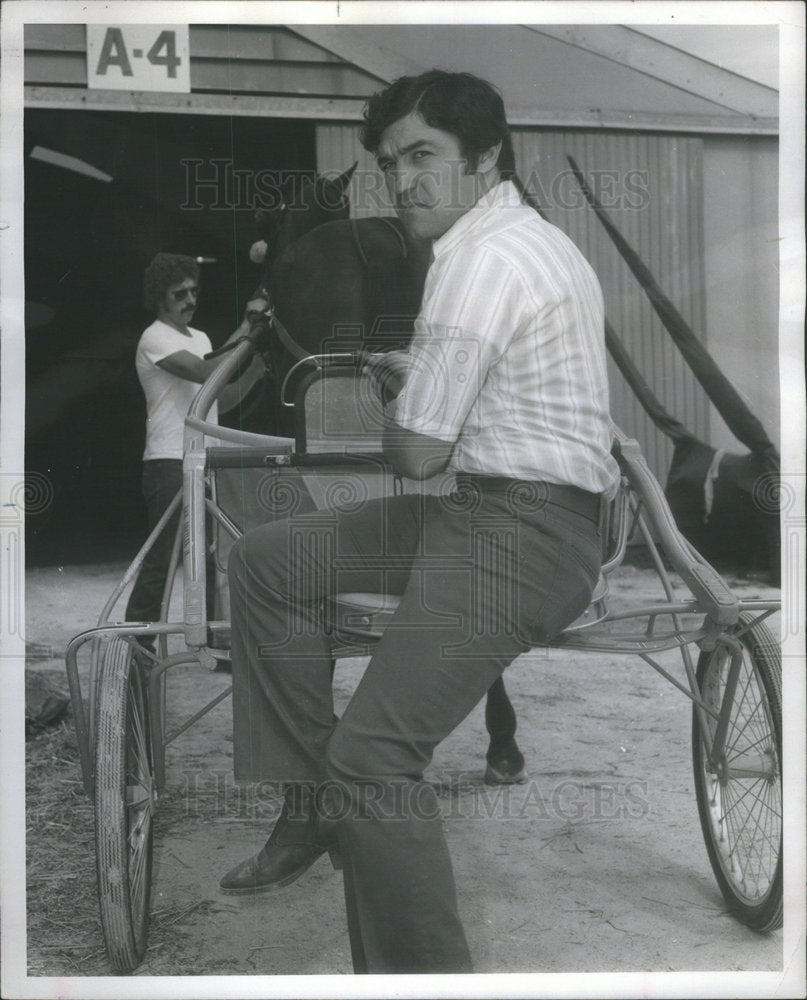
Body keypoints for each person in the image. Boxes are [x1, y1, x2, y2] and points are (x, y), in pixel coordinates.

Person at [220, 70, 620, 973]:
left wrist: (407, 402)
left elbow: (410, 457)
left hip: (527, 536)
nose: (404, 181)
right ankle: (310, 798)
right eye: (392, 163)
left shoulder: (481, 263)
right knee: (266, 561)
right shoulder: (514, 240)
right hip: (483, 508)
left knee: (374, 760)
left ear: (484, 157)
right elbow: (454, 434)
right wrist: (427, 388)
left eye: (424, 158)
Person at [125, 252, 263, 646]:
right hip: (170, 461)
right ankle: (138, 647)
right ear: (159, 299)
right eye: (178, 293)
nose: (190, 300)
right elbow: (205, 372)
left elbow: (222, 397)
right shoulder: (154, 337)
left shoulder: (201, 339)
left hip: (207, 461)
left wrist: (258, 365)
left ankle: (213, 644)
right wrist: (249, 328)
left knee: (211, 559)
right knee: (163, 562)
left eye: (193, 291)